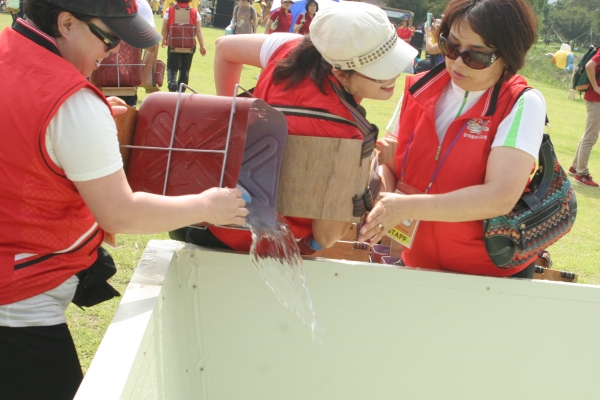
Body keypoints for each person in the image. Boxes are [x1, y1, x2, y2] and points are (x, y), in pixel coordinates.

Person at [0, 0, 247, 399]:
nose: (115, 50)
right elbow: (119, 213)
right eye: (109, 36)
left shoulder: (10, 50)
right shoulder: (72, 102)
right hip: (19, 306)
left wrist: (91, 126)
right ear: (66, 22)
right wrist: (208, 204)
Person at [174, 1, 416, 253]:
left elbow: (224, 48)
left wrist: (232, 118)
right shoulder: (349, 136)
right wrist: (372, 167)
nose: (394, 75)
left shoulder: (293, 48)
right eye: (381, 70)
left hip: (205, 217)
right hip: (265, 247)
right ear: (341, 72)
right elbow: (325, 237)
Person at [359, 0, 546, 278]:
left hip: (490, 275)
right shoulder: (418, 88)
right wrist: (381, 198)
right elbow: (391, 165)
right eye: (451, 46)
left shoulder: (522, 102)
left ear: (508, 55)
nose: (457, 61)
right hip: (417, 262)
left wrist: (406, 207)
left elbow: (500, 197)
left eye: (476, 56)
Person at [569, 48, 600, 187]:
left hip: (595, 99)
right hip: (596, 99)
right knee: (590, 138)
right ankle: (581, 174)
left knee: (588, 136)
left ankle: (575, 167)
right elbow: (589, 65)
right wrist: (596, 87)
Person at [161, 0, 206, 92]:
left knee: (172, 67)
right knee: (185, 69)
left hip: (174, 44)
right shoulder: (194, 12)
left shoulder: (169, 10)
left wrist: (163, 40)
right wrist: (202, 46)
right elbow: (198, 31)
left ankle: (172, 83)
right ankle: (182, 90)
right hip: (189, 46)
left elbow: (164, 28)